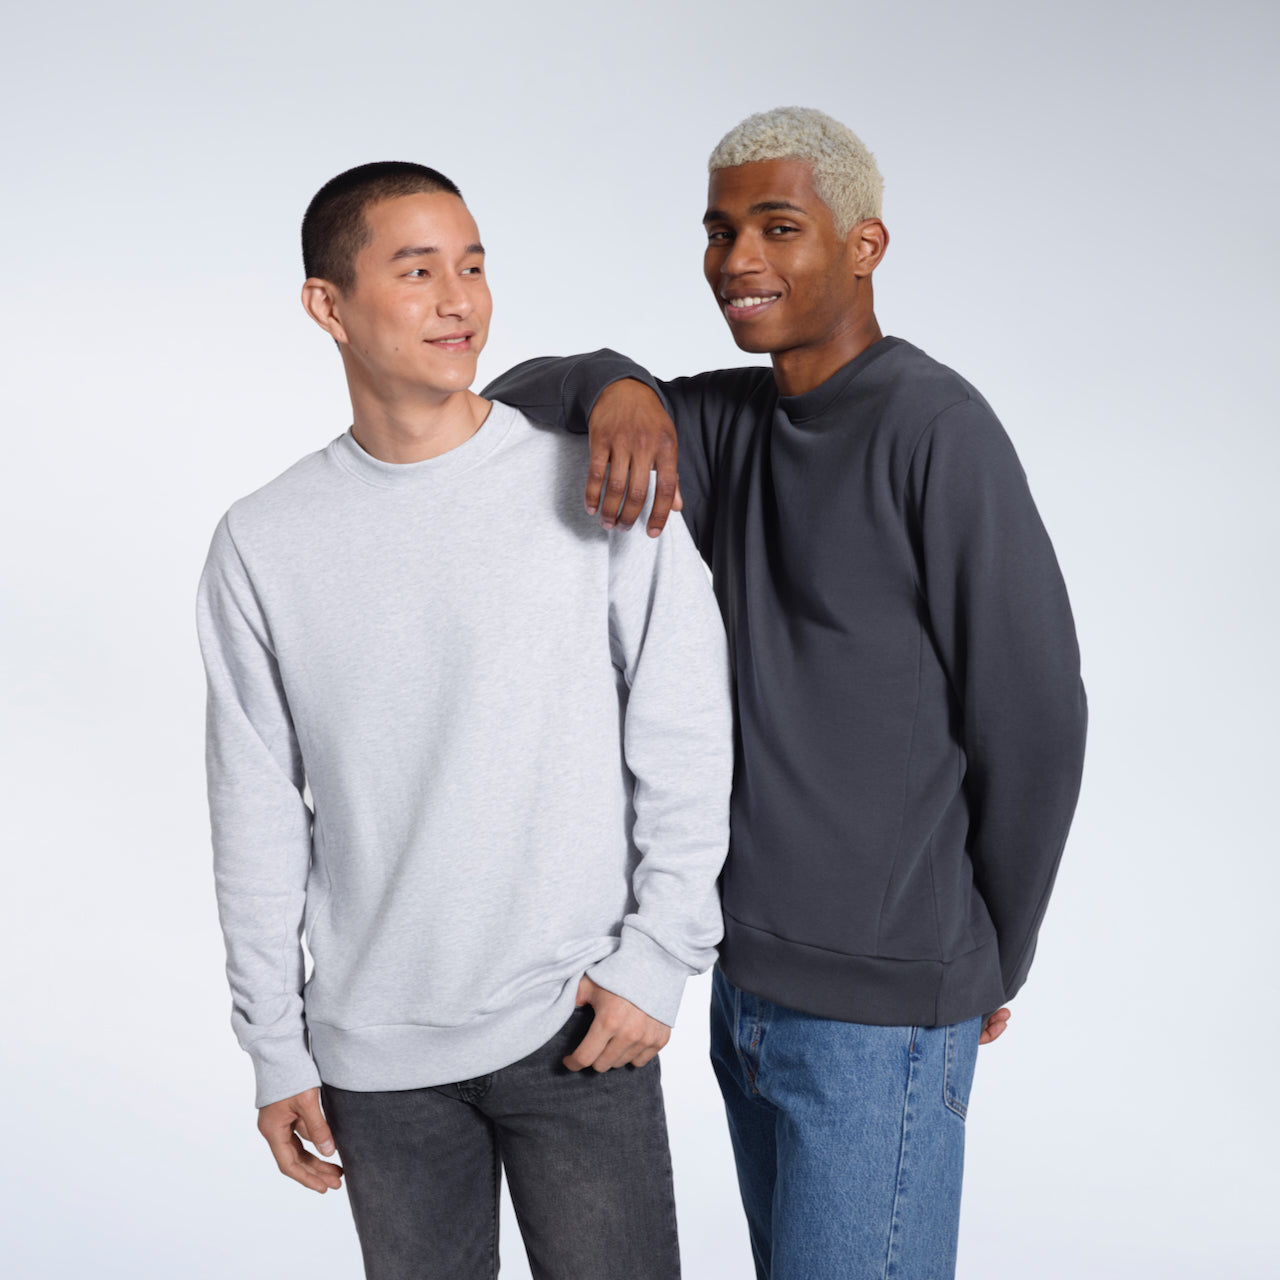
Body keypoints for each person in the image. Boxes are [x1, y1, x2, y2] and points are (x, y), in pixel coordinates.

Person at [486, 106, 1089, 1280]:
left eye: (776, 227)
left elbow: (1034, 714)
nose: (737, 261)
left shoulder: (936, 427)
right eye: (718, 232)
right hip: (745, 989)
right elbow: (516, 399)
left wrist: (987, 961)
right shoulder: (727, 421)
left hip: (879, 1010)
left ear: (862, 244)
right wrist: (618, 384)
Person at [196, 160, 733, 1280]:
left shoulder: (597, 483)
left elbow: (684, 728)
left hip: (578, 1024)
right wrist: (274, 1045)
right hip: (373, 1053)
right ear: (327, 304)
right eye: (418, 268)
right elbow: (254, 811)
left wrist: (658, 957)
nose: (461, 299)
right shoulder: (263, 539)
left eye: (475, 265)